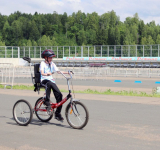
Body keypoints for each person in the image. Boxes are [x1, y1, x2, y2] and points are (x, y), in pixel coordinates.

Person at [40, 49, 68, 121]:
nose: (51, 59)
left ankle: (57, 113)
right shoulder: (42, 63)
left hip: (51, 81)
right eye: (50, 57)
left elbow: (58, 71)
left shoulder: (52, 64)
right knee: (49, 83)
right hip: (44, 80)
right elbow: (42, 73)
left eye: (52, 58)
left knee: (59, 95)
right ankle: (47, 101)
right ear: (45, 57)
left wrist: (67, 72)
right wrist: (47, 74)